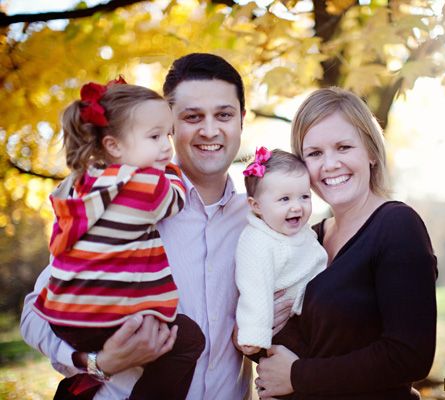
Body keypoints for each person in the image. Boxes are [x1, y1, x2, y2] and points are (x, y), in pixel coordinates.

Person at [21, 53, 292, 399]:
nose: (210, 130)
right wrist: (98, 361)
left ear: (242, 119)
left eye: (224, 115)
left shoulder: (260, 220)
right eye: (192, 117)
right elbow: (36, 314)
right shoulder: (121, 202)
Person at [253, 87, 438, 400]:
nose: (330, 164)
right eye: (314, 154)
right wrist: (250, 335)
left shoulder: (397, 227)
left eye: (343, 147)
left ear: (370, 152)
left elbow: (410, 356)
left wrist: (298, 376)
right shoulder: (306, 238)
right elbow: (295, 346)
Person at [31, 78, 205, 399]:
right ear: (113, 146)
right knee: (189, 340)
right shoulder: (145, 184)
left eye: (168, 135)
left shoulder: (80, 185)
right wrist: (172, 171)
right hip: (103, 318)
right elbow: (177, 197)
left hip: (63, 318)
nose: (167, 147)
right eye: (155, 136)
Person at [235, 147, 326, 355]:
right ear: (256, 206)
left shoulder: (301, 230)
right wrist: (253, 333)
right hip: (283, 327)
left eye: (304, 197)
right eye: (284, 199)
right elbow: (254, 290)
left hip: (309, 314)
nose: (297, 207)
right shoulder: (257, 241)